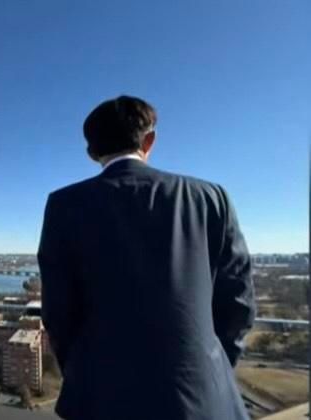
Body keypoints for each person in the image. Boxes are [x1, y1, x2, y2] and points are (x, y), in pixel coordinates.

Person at [37, 95, 255, 420]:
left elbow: (58, 313)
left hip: (102, 398)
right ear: (149, 140)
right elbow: (239, 303)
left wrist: (86, 372)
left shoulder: (64, 206)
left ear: (92, 152)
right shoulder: (210, 199)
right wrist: (209, 367)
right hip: (201, 400)